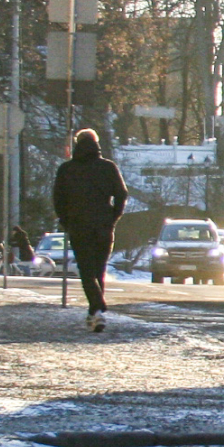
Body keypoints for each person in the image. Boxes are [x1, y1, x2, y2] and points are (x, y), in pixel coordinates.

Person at [52, 129, 129, 331]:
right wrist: (113, 217)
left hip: (79, 225)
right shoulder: (108, 167)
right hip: (104, 225)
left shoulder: (67, 169)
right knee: (99, 269)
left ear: (77, 144)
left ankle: (97, 308)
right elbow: (122, 194)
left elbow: (58, 199)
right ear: (96, 144)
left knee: (86, 270)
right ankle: (95, 313)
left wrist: (66, 220)